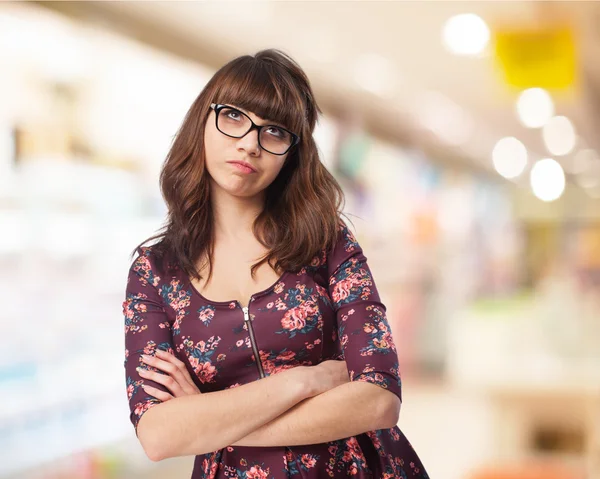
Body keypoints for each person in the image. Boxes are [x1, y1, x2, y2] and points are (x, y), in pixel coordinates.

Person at [123, 48, 429, 478]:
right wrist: (304, 380)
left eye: (275, 132)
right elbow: (158, 435)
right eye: (233, 117)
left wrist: (208, 420)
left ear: (292, 152)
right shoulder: (155, 271)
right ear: (202, 122)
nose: (250, 143)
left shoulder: (327, 242)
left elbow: (379, 399)